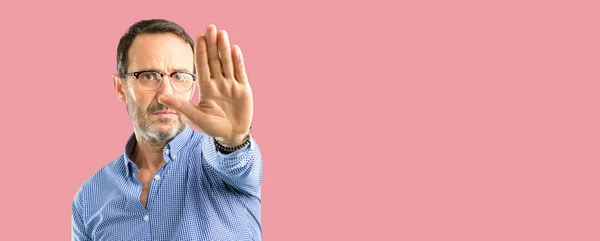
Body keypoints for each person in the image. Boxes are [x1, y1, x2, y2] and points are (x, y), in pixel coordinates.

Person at [71, 19, 263, 241]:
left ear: (193, 85)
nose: (165, 95)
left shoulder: (220, 165)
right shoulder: (90, 197)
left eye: (179, 76)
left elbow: (238, 162)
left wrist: (234, 140)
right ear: (121, 88)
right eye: (148, 76)